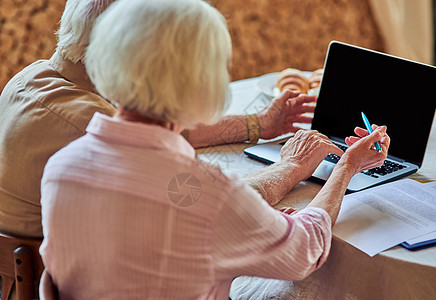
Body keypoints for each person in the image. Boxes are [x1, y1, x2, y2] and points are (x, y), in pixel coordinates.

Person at [39, 0, 390, 298]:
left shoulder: (59, 168)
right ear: (204, 84)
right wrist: (345, 167)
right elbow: (305, 252)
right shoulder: (206, 195)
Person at [0, 0, 315, 239]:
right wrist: (291, 168)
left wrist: (259, 124)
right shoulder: (92, 122)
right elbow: (214, 208)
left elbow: (171, 132)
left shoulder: (31, 77)